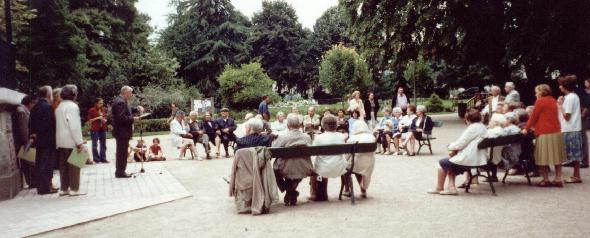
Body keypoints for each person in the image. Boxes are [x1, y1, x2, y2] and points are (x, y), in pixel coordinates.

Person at [428, 109, 487, 195]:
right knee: (450, 160)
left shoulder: (472, 129)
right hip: (480, 158)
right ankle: (451, 187)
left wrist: (450, 146)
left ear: (468, 119)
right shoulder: (482, 126)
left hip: (471, 159)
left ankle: (439, 188)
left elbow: (460, 144)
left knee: (442, 163)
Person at [523, 84, 565, 187]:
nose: (535, 93)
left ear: (541, 92)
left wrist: (526, 128)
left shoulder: (540, 101)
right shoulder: (553, 100)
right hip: (556, 131)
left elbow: (533, 117)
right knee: (557, 157)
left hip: (544, 132)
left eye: (536, 91)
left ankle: (546, 180)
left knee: (542, 156)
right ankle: (558, 178)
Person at [272, 113, 313, 206]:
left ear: (288, 125)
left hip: (284, 167)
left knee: (275, 170)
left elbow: (274, 149)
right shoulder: (306, 137)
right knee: (295, 168)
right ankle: (292, 192)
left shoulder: (282, 136)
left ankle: (289, 191)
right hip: (304, 167)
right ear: (299, 125)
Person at [55, 85, 86, 196]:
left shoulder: (59, 107)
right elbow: (74, 126)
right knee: (75, 165)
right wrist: (79, 142)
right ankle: (74, 189)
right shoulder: (72, 107)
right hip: (71, 140)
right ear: (73, 94)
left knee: (63, 166)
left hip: (61, 141)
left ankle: (64, 188)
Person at [311, 115, 347, 201]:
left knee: (316, 166)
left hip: (323, 170)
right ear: (336, 125)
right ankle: (347, 189)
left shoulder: (319, 138)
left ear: (323, 126)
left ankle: (314, 193)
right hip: (340, 168)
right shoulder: (342, 136)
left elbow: (313, 152)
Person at [29, 86, 57, 194]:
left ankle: (42, 186)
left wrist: (34, 136)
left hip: (39, 141)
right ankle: (45, 188)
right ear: (48, 94)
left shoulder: (35, 107)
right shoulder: (48, 107)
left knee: (40, 163)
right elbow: (50, 125)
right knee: (47, 165)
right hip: (48, 140)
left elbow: (31, 124)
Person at [557, 76, 583, 184]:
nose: (559, 87)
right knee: (575, 154)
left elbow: (567, 116)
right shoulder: (573, 96)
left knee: (573, 154)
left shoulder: (570, 97)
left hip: (570, 128)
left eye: (561, 85)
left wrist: (559, 106)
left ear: (564, 86)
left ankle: (576, 176)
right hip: (573, 128)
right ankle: (576, 175)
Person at [112, 86, 142, 178]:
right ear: (125, 93)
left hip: (122, 132)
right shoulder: (120, 102)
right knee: (122, 152)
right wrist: (133, 119)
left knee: (122, 151)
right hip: (122, 132)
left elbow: (127, 110)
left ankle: (120, 171)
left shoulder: (121, 101)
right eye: (130, 93)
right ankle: (120, 172)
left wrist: (136, 109)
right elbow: (121, 118)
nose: (131, 95)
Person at [345, 120, 376, 198]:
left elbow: (347, 154)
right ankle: (363, 188)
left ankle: (347, 189)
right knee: (358, 165)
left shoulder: (352, 139)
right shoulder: (371, 137)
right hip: (369, 163)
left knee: (350, 166)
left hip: (356, 163)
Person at [14, 96, 36, 189]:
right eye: (33, 103)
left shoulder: (22, 110)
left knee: (28, 162)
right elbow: (23, 128)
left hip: (24, 141)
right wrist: (28, 139)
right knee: (28, 163)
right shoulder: (21, 111)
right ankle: (32, 182)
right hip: (25, 141)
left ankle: (32, 182)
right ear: (30, 103)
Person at [87, 98, 108, 163]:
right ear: (96, 103)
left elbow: (104, 117)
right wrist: (97, 118)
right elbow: (89, 121)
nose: (101, 104)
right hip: (95, 129)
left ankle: (103, 158)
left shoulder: (103, 109)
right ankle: (96, 159)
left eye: (102, 103)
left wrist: (104, 120)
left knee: (103, 144)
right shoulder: (92, 110)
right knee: (95, 145)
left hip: (102, 128)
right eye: (100, 103)